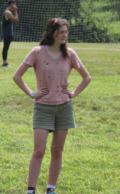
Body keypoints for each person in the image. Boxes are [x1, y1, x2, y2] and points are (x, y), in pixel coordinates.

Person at [12, 18, 91, 194]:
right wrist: (32, 93)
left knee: (57, 150)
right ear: (51, 33)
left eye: (66, 32)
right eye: (61, 32)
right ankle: (31, 190)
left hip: (64, 107)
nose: (64, 35)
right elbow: (17, 76)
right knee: (39, 151)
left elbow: (87, 77)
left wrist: (74, 93)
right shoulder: (37, 52)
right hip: (43, 107)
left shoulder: (70, 54)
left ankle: (50, 189)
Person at [2, 0, 19, 67]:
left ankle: (5, 62)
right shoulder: (8, 12)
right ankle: (5, 63)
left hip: (8, 32)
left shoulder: (8, 12)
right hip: (7, 32)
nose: (15, 6)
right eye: (14, 4)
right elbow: (16, 20)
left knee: (6, 47)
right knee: (5, 47)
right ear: (12, 5)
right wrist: (15, 11)